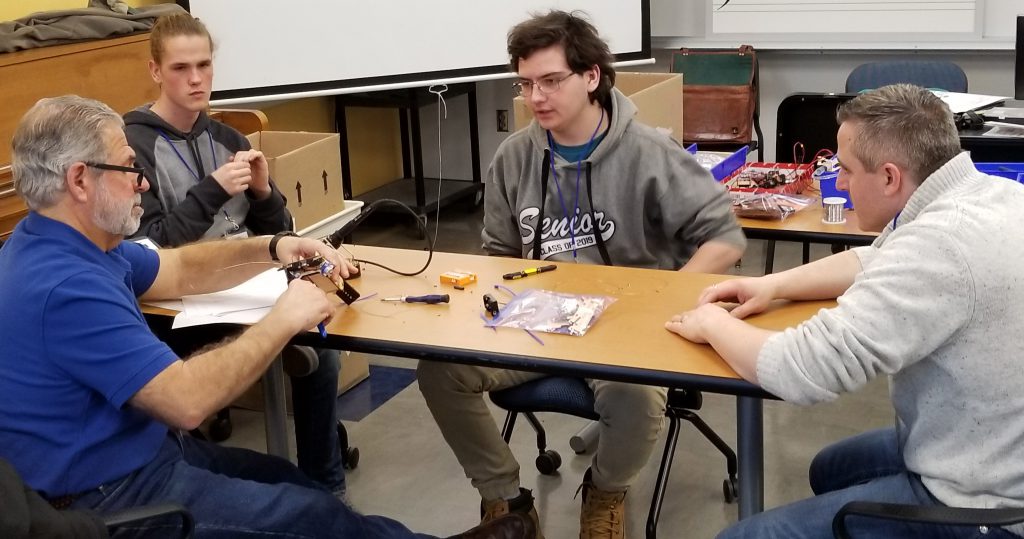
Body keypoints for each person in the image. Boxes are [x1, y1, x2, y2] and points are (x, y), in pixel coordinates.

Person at [0, 94, 536, 539]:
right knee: (312, 515)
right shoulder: (66, 286)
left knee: (296, 483)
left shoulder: (71, 244)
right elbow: (186, 402)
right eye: (129, 169)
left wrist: (275, 246)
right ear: (78, 180)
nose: (141, 182)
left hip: (138, 457)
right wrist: (283, 317)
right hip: (110, 496)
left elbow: (178, 268)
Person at [417, 10, 746, 539]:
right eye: (526, 84)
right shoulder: (514, 157)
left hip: (625, 327)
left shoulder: (649, 152)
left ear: (591, 76)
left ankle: (606, 490)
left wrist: (662, 301)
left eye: (551, 81)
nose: (536, 97)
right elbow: (498, 254)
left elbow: (725, 240)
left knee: (635, 396)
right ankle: (506, 500)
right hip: (538, 322)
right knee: (440, 370)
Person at [666, 83, 1024, 539]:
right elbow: (876, 257)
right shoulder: (984, 195)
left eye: (847, 170)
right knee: (832, 469)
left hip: (986, 503)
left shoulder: (939, 247)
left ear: (890, 177)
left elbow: (799, 369)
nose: (838, 181)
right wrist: (769, 284)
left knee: (740, 538)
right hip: (987, 440)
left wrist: (711, 323)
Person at [123, 13, 347, 497]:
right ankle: (205, 482)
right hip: (175, 308)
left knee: (320, 352)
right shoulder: (132, 145)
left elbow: (279, 236)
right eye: (181, 67)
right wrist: (210, 191)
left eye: (204, 64)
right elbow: (150, 246)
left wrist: (265, 192)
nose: (197, 78)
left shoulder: (229, 138)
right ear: (156, 71)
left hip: (246, 291)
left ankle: (322, 486)